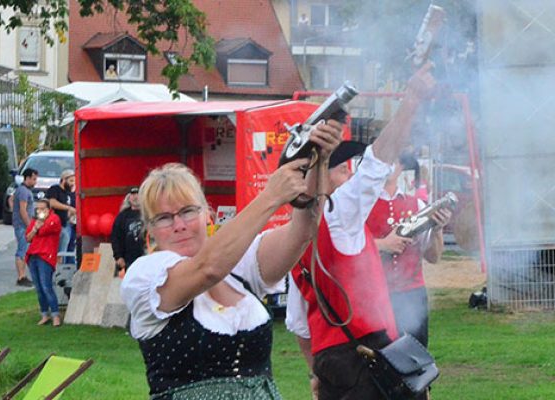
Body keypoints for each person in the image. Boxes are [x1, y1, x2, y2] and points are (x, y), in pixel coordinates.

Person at [120, 121, 342, 399]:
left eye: (188, 211)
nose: (179, 224)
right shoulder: (145, 277)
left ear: (207, 215)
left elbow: (303, 231)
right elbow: (207, 270)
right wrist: (271, 194)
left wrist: (315, 161)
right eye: (164, 218)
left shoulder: (239, 264)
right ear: (150, 231)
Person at [285, 63, 436, 400]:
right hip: (370, 362)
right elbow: (378, 161)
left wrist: (317, 373)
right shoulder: (340, 213)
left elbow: (299, 324)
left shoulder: (289, 238)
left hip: (331, 366)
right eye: (341, 168)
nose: (349, 175)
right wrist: (411, 100)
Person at [367, 153, 451, 348]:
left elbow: (434, 256)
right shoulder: (361, 208)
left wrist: (437, 229)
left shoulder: (416, 205)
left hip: (412, 294)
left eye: (392, 161)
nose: (387, 167)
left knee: (416, 357)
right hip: (375, 295)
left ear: (401, 166)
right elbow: (349, 250)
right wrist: (383, 245)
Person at [25, 199, 63, 326]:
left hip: (46, 256)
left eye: (42, 209)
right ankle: (44, 314)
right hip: (33, 256)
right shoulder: (34, 222)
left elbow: (45, 230)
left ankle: (55, 314)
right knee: (39, 288)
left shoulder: (54, 219)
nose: (40, 212)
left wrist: (38, 227)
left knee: (46, 286)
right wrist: (35, 228)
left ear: (49, 209)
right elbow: (28, 237)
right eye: (38, 209)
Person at [12, 168, 38, 286]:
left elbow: (11, 199)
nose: (35, 182)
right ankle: (21, 277)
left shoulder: (22, 190)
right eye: (34, 179)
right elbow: (23, 210)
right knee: (22, 251)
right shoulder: (23, 191)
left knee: (26, 250)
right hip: (22, 226)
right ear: (27, 178)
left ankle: (23, 275)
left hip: (22, 225)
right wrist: (29, 226)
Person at [46, 169, 76, 265]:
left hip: (69, 224)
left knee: (70, 248)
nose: (72, 184)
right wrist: (68, 208)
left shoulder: (70, 193)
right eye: (70, 181)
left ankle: (69, 268)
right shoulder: (55, 189)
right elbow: (52, 203)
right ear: (63, 180)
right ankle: (59, 269)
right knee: (61, 249)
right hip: (59, 224)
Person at [112, 187, 145, 275]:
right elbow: (116, 237)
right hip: (129, 259)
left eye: (138, 194)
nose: (135, 197)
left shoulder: (149, 213)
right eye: (133, 195)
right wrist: (118, 256)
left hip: (147, 256)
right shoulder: (122, 216)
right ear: (128, 198)